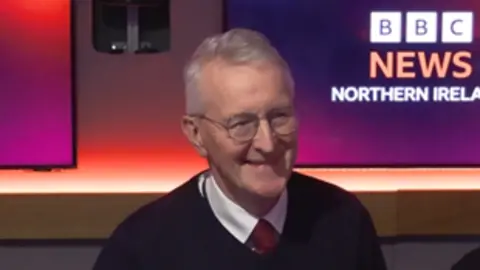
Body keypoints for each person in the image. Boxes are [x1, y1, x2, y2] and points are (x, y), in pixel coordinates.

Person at [93, 28, 387, 270]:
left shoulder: (344, 221)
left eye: (279, 117)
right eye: (241, 124)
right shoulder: (140, 250)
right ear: (196, 134)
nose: (267, 143)